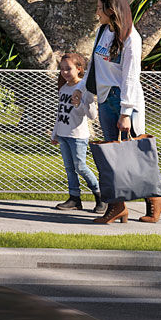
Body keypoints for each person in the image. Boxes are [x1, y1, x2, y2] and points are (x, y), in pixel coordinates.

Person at [86, 0, 161, 225]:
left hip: (123, 99)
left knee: (136, 154)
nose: (97, 12)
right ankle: (117, 206)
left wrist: (126, 112)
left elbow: (130, 76)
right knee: (112, 157)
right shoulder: (102, 32)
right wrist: (85, 91)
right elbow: (94, 66)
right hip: (105, 98)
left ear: (111, 10)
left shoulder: (131, 38)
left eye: (100, 8)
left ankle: (155, 198)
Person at [47, 50, 97, 213]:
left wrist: (79, 103)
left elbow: (92, 115)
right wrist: (55, 133)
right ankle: (74, 198)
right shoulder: (63, 88)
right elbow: (60, 114)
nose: (64, 72)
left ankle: (99, 195)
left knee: (80, 167)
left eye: (68, 68)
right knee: (69, 169)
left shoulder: (83, 88)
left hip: (77, 136)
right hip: (63, 135)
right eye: (62, 69)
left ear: (79, 69)